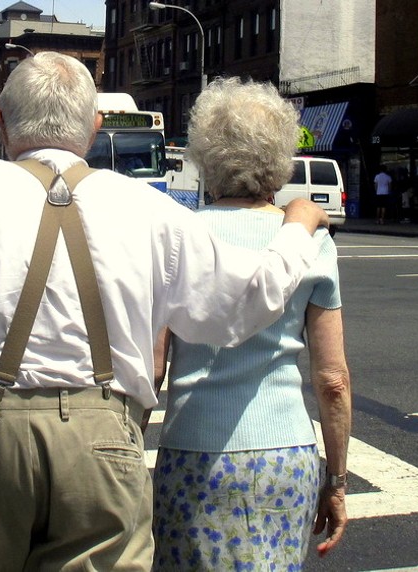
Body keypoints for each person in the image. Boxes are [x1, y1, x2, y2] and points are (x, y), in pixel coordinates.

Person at [0, 51, 328, 571]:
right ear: (95, 127)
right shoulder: (146, 207)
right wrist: (297, 225)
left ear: (0, 121)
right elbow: (248, 302)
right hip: (103, 446)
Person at [150, 78, 351, 571]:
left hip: (192, 453)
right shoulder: (310, 242)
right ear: (279, 158)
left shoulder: (178, 238)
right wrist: (338, 481)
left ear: (205, 155)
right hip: (285, 455)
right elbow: (333, 381)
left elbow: (152, 368)